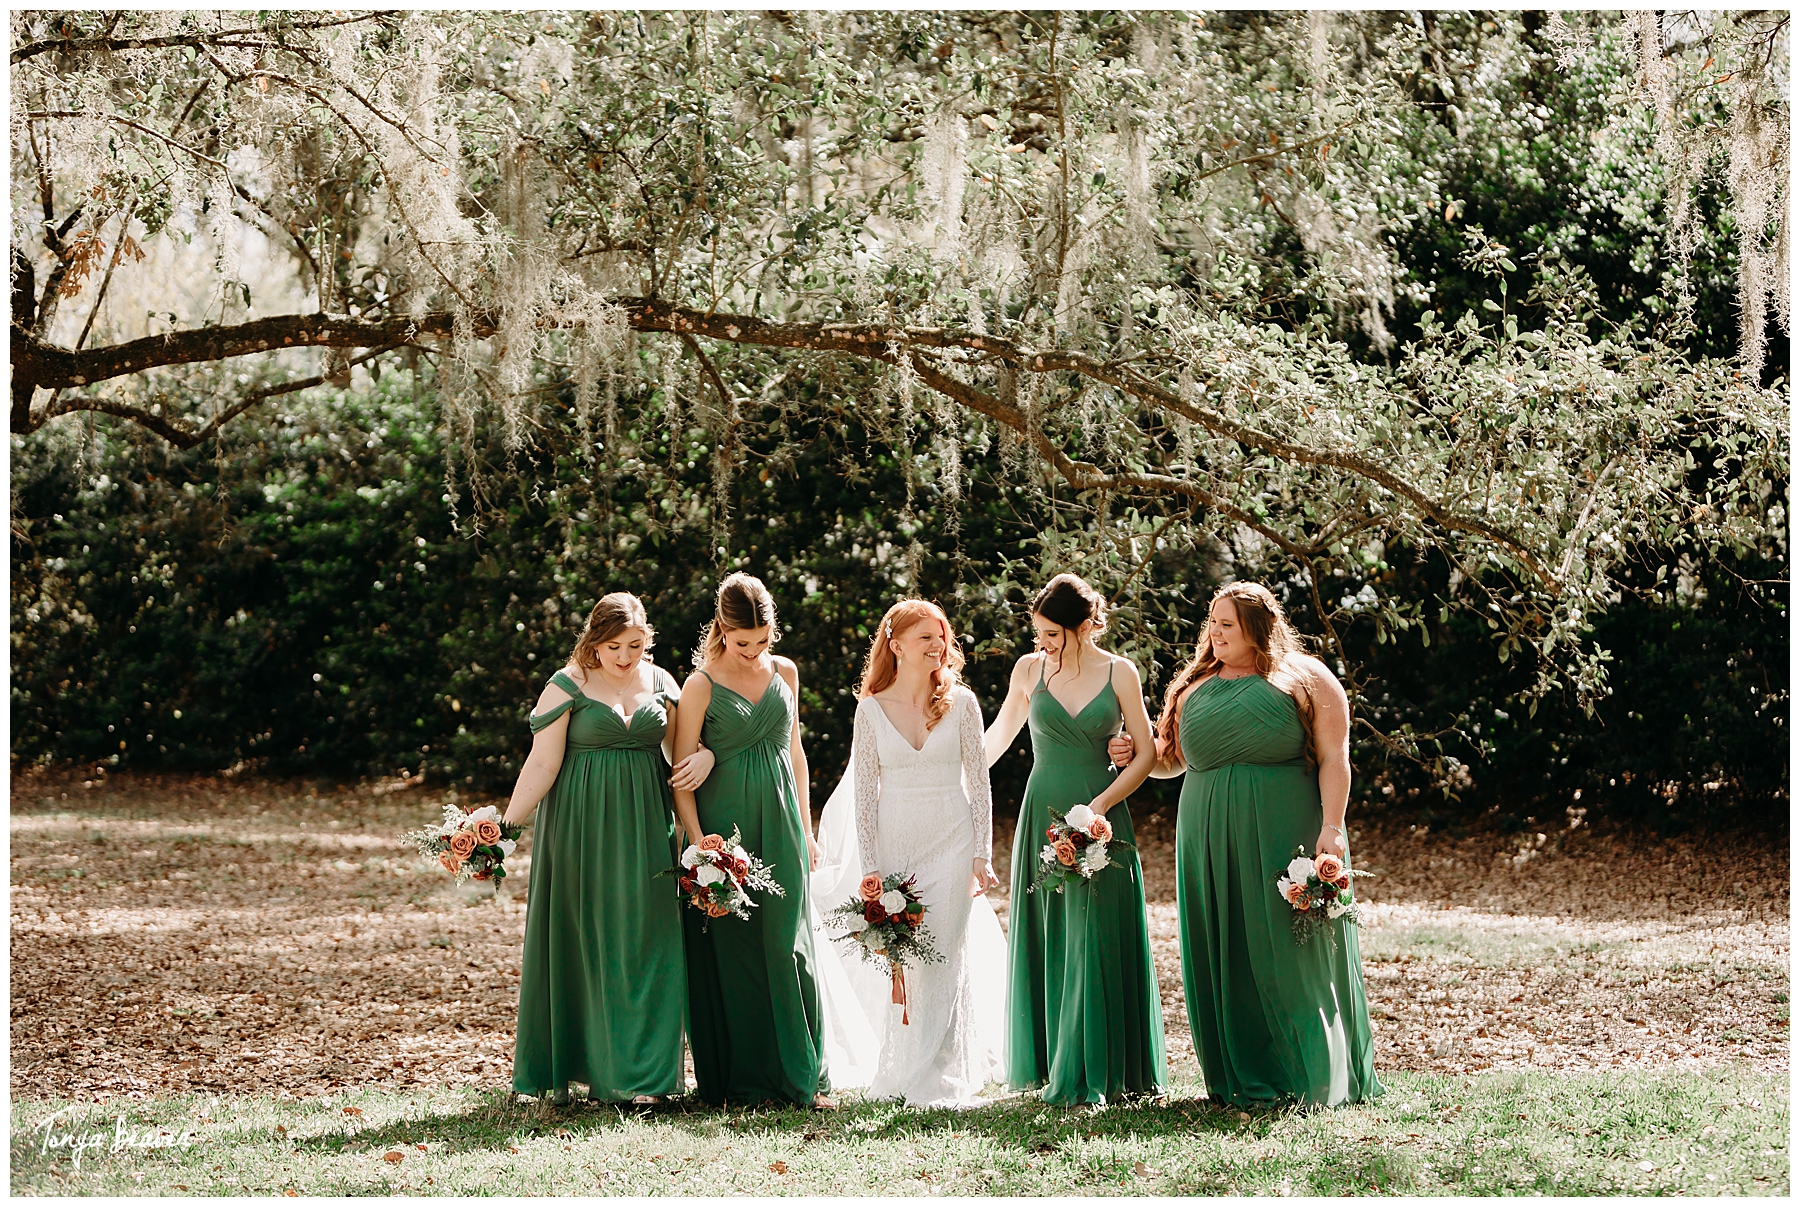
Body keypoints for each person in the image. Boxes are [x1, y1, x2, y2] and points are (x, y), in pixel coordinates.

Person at [1137, 581, 1381, 1107]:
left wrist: (1332, 828)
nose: (1215, 632)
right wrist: (1131, 754)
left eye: (1227, 623)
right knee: (1226, 945)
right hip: (1207, 833)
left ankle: (1317, 1075)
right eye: (1212, 621)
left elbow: (1335, 759)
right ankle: (1239, 1075)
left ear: (1258, 628)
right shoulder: (1193, 684)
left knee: (1291, 949)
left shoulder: (1307, 678)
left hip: (1285, 828)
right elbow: (1168, 761)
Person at [503, 592, 710, 1106]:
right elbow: (542, 765)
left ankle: (646, 1077)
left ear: (648, 640)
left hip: (647, 826)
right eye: (613, 645)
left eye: (635, 645)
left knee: (648, 942)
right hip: (579, 829)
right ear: (593, 642)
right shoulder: (566, 685)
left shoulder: (664, 684)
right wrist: (503, 830)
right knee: (586, 940)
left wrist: (703, 756)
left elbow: (686, 748)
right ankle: (589, 1067)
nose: (623, 656)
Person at [810, 599, 1006, 1107]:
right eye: (926, 637)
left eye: (942, 635)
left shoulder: (962, 703)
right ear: (896, 645)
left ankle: (943, 1075)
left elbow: (980, 785)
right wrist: (871, 866)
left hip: (953, 839)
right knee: (910, 962)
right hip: (899, 845)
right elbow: (864, 795)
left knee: (947, 952)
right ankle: (907, 1068)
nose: (939, 644)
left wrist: (981, 855)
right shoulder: (870, 709)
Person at [983, 573, 1167, 1105]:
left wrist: (1102, 805)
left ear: (1085, 626)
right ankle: (1048, 1061)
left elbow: (1149, 754)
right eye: (1038, 633)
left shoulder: (1120, 672)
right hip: (1041, 810)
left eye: (1053, 635)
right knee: (1049, 932)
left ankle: (1105, 1065)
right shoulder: (1028, 669)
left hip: (1101, 814)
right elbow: (999, 736)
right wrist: (955, 772)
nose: (1043, 644)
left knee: (1098, 933)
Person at [669, 572, 833, 1108]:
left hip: (781, 818)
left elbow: (797, 754)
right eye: (743, 643)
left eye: (762, 641)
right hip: (724, 827)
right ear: (721, 628)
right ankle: (743, 1078)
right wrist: (699, 847)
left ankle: (800, 1072)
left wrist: (806, 829)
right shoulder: (700, 685)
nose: (753, 652)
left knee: (788, 945)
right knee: (734, 948)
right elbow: (681, 774)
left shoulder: (785, 671)